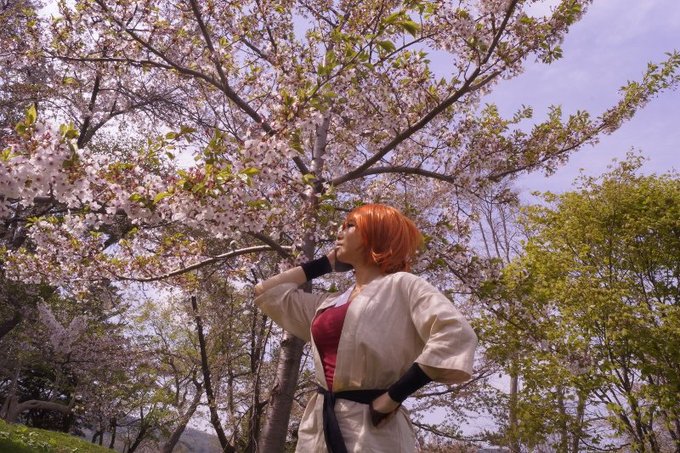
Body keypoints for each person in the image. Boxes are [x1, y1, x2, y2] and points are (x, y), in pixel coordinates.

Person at [254, 204, 477, 452]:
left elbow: (455, 333)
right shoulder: (328, 303)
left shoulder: (402, 285)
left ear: (376, 236)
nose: (339, 231)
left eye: (350, 225)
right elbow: (267, 292)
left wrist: (394, 396)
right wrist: (325, 263)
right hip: (317, 430)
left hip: (373, 429)